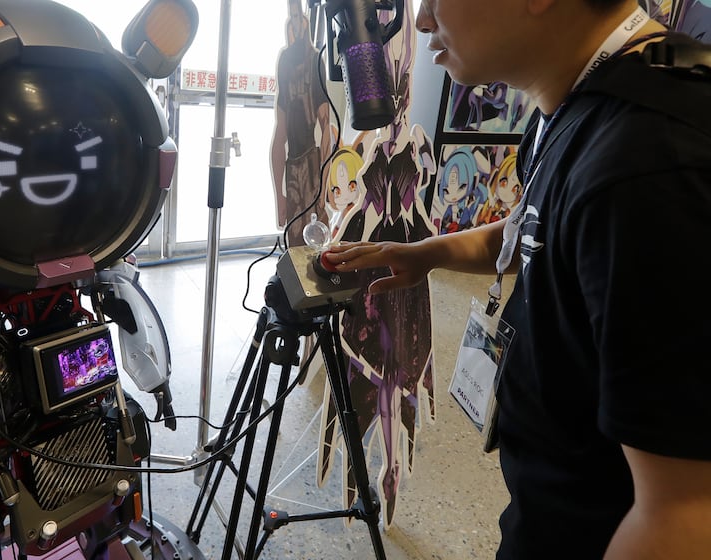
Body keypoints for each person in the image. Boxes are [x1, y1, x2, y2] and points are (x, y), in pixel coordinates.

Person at [323, 0, 711, 557]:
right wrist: (426, 253)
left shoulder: (652, 166)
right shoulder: (583, 100)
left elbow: (684, 517)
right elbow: (539, 223)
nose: (424, 19)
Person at [270, 0, 331, 247]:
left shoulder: (316, 61)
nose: (295, 25)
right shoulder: (285, 62)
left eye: (298, 19)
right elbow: (279, 135)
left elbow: (328, 127)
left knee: (318, 241)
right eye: (291, 21)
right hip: (295, 166)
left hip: (312, 164)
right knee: (295, 241)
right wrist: (279, 197)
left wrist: (325, 185)